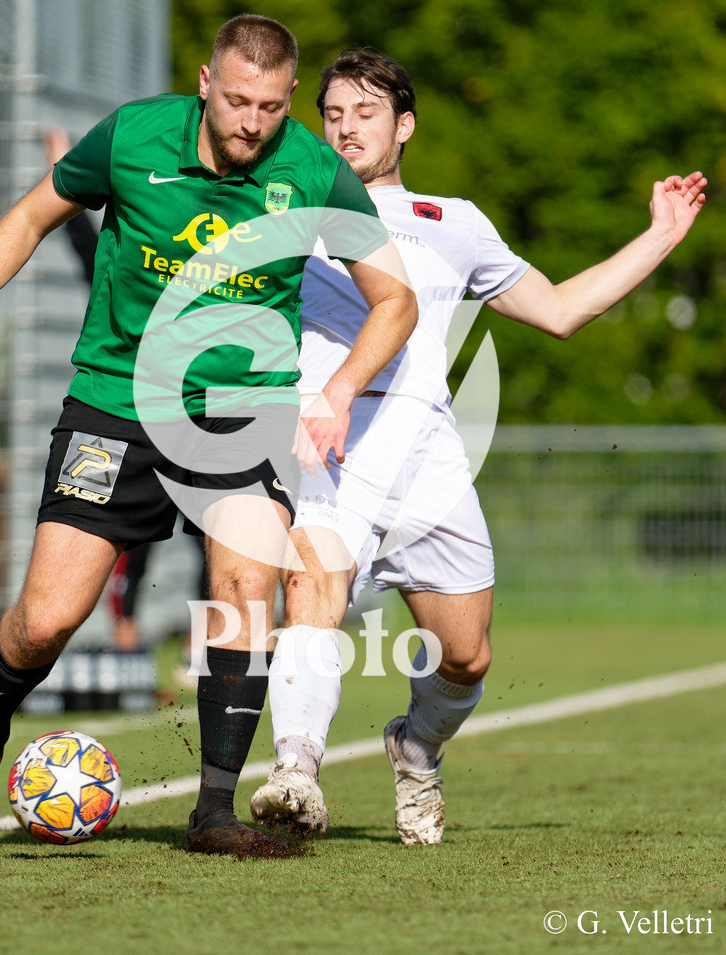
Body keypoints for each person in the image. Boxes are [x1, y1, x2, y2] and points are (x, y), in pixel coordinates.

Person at [0, 18, 416, 857]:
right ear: (203, 82)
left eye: (268, 105)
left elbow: (394, 299)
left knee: (243, 584)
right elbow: (33, 213)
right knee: (46, 620)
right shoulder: (130, 137)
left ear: (287, 99)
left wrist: (334, 392)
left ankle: (214, 810)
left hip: (243, 410)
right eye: (234, 100)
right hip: (116, 403)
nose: (250, 121)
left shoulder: (311, 169)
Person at [249, 48, 706, 845]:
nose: (346, 127)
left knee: (464, 657)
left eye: (365, 112)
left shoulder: (452, 221)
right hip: (327, 439)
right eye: (331, 114)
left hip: (426, 451)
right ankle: (295, 769)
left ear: (405, 124)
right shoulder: (289, 208)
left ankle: (414, 747)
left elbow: (560, 310)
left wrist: (660, 237)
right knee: (312, 595)